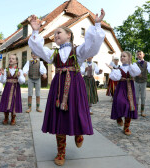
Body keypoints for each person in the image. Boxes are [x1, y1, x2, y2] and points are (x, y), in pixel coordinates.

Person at [28, 9, 106, 166]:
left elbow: (92, 46)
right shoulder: (53, 54)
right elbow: (38, 50)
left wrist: (97, 25)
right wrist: (36, 31)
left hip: (75, 86)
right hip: (58, 86)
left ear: (68, 35)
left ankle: (78, 133)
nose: (56, 35)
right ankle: (61, 152)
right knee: (59, 118)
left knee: (76, 112)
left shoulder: (78, 51)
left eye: (59, 33)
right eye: (55, 34)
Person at [110, 51, 141, 135]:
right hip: (121, 87)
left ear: (129, 58)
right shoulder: (119, 68)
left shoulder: (132, 66)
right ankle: (119, 117)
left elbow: (137, 73)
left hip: (130, 88)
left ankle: (126, 127)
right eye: (121, 56)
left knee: (129, 106)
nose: (122, 58)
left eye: (124, 56)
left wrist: (130, 64)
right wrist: (112, 69)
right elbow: (114, 77)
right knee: (120, 102)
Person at [0, 54, 25, 125]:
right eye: (10, 58)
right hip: (7, 88)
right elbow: (2, 81)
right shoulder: (6, 70)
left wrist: (19, 76)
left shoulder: (20, 70)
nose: (11, 60)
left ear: (16, 61)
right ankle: (6, 117)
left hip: (16, 88)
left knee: (14, 102)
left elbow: (22, 82)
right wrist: (3, 74)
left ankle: (13, 117)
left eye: (13, 59)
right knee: (6, 102)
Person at [134, 50, 150, 117]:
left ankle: (142, 111)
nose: (139, 55)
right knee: (136, 96)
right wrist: (136, 73)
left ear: (143, 55)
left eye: (140, 54)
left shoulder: (147, 63)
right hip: (136, 81)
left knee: (143, 96)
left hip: (143, 81)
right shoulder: (135, 64)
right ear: (137, 56)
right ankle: (136, 111)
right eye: (138, 54)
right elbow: (133, 70)